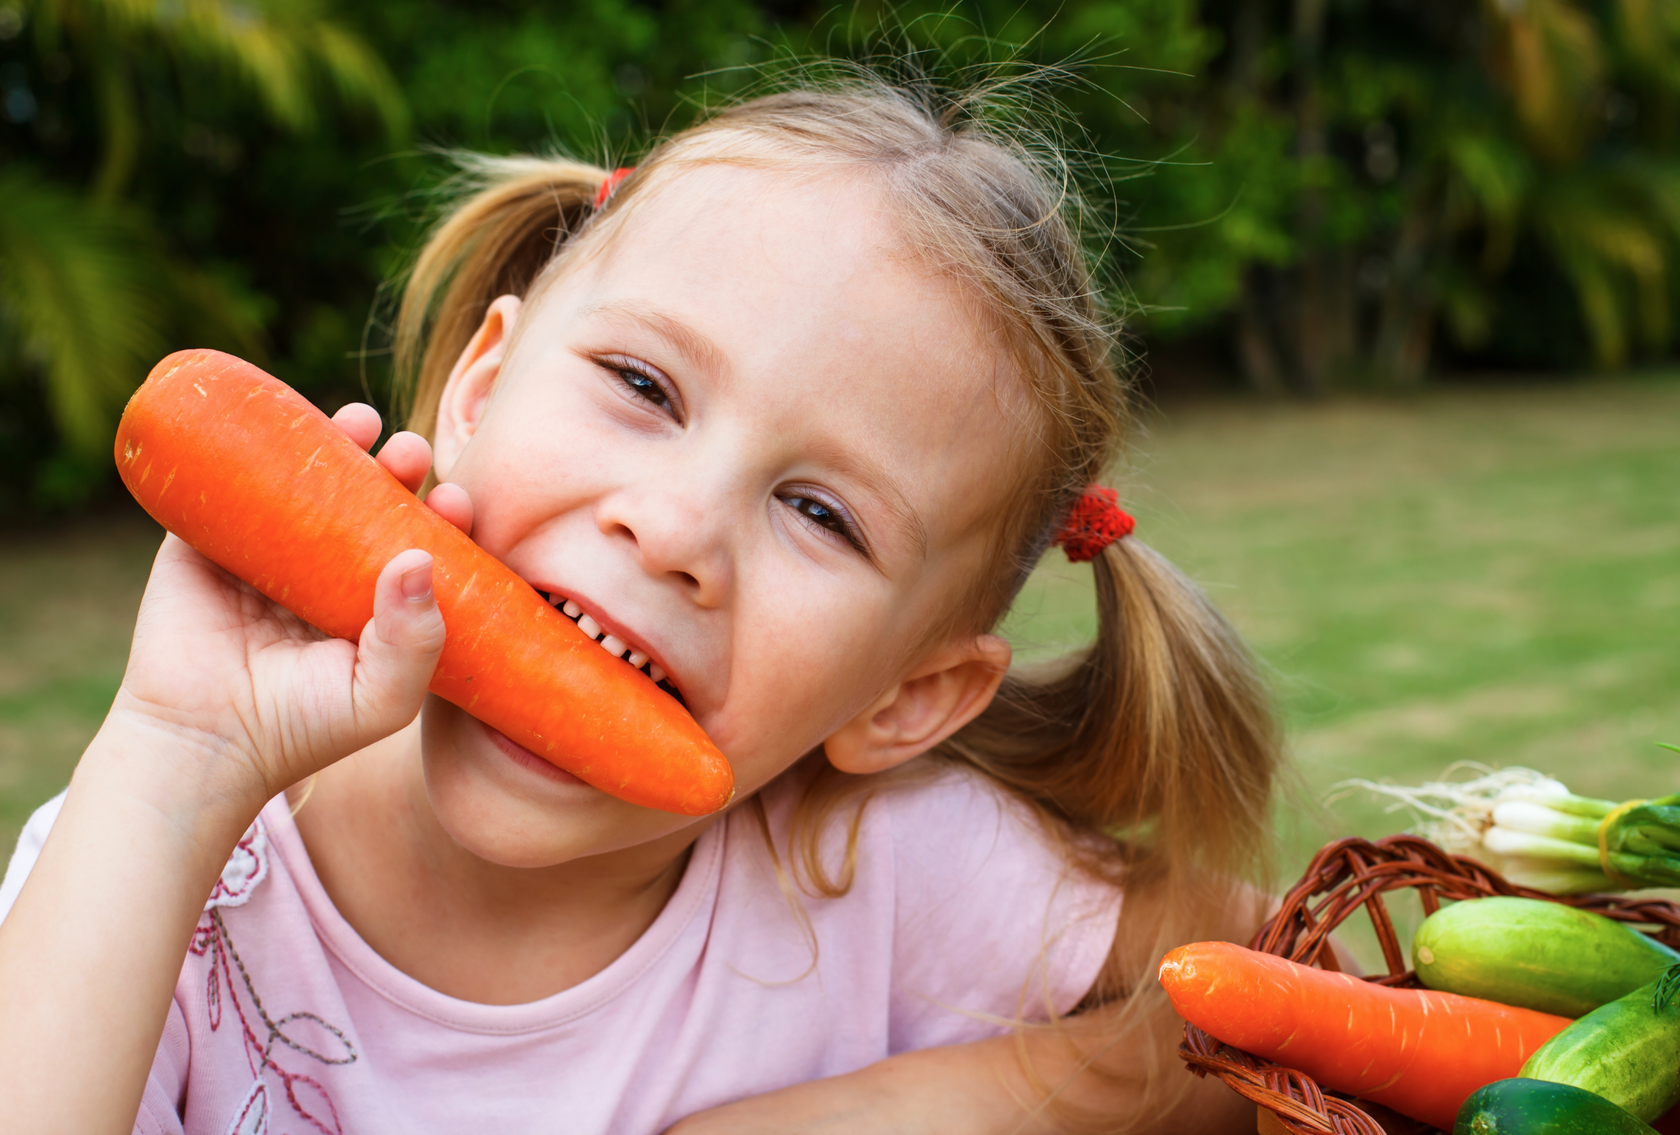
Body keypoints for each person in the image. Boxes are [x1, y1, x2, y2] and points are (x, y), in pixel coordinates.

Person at [0, 79, 1281, 1134]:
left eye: (822, 513)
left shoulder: (879, 863)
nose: (673, 530)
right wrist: (177, 757)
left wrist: (884, 1114)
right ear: (481, 385)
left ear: (907, 697)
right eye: (643, 385)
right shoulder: (146, 864)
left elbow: (1297, 997)